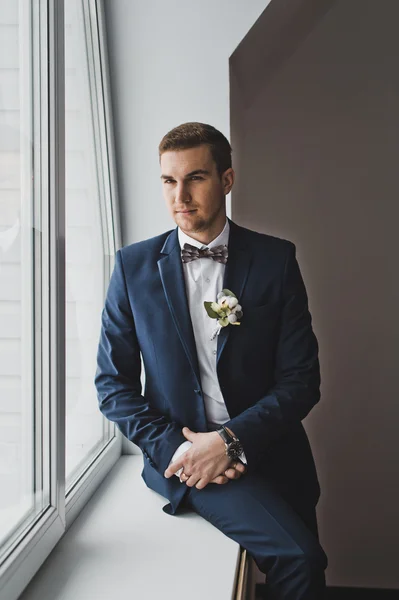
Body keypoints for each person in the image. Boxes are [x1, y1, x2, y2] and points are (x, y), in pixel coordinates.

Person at [95, 122, 328, 598]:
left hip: (274, 448)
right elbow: (112, 385)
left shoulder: (275, 260)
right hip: (191, 463)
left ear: (226, 179)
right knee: (298, 560)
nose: (180, 195)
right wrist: (183, 452)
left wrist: (231, 440)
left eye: (196, 178)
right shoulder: (132, 267)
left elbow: (302, 380)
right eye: (168, 181)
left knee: (308, 564)